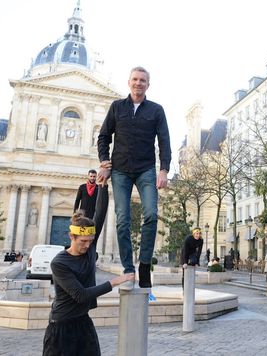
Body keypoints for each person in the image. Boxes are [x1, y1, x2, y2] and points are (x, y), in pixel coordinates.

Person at [97, 66, 171, 288]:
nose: (139, 83)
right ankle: (129, 269)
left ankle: (145, 264)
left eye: (143, 80)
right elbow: (103, 137)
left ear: (148, 85)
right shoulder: (117, 107)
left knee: (150, 214)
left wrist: (164, 169)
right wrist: (104, 161)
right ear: (129, 82)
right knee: (122, 220)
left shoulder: (156, 110)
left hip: (146, 169)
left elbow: (164, 141)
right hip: (120, 170)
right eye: (135, 79)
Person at [42, 208, 132, 356]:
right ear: (72, 236)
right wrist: (115, 282)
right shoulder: (59, 263)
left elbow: (100, 214)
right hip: (61, 326)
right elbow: (81, 295)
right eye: (83, 241)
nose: (87, 245)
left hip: (83, 321)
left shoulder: (89, 250)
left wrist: (102, 186)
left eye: (90, 241)